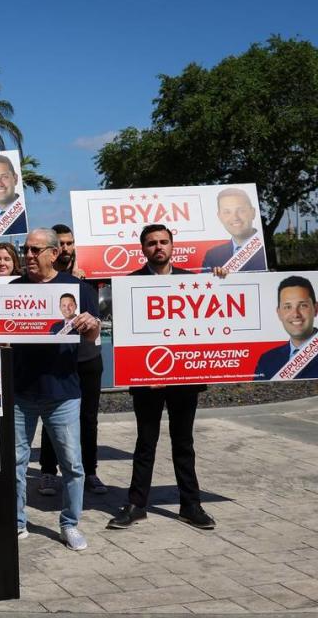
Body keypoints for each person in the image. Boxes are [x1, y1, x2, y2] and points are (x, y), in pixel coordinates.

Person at [0, 228, 100, 551]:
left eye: (36, 250)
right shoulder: (11, 290)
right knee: (16, 461)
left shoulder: (78, 288)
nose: (29, 256)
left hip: (63, 392)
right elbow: (1, 340)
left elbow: (92, 339)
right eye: (26, 250)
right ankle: (17, 522)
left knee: (73, 463)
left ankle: (70, 524)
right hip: (20, 390)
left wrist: (92, 325)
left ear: (53, 254)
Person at [107, 224, 220, 532]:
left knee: (184, 442)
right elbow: (124, 334)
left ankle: (190, 505)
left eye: (163, 242)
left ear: (173, 245)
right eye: (152, 243)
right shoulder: (129, 284)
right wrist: (141, 372)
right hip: (148, 378)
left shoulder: (194, 282)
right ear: (143, 249)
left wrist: (223, 280)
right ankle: (136, 505)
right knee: (146, 442)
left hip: (184, 377)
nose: (158, 247)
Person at [38, 226, 107, 496]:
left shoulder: (89, 277)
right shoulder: (43, 280)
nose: (66, 248)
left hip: (87, 358)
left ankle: (90, 471)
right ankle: (47, 470)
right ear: (53, 250)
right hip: (56, 358)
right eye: (61, 244)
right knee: (51, 415)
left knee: (88, 419)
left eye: (70, 243)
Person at [255, 276, 318, 380]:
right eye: (288, 307)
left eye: (303, 305)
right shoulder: (267, 360)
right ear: (279, 313)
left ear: (315, 309)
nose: (296, 314)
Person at [201, 187, 267, 271]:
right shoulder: (213, 256)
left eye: (241, 210)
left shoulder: (267, 248)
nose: (235, 217)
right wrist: (217, 278)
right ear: (220, 217)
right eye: (227, 212)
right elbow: (206, 282)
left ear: (253, 213)